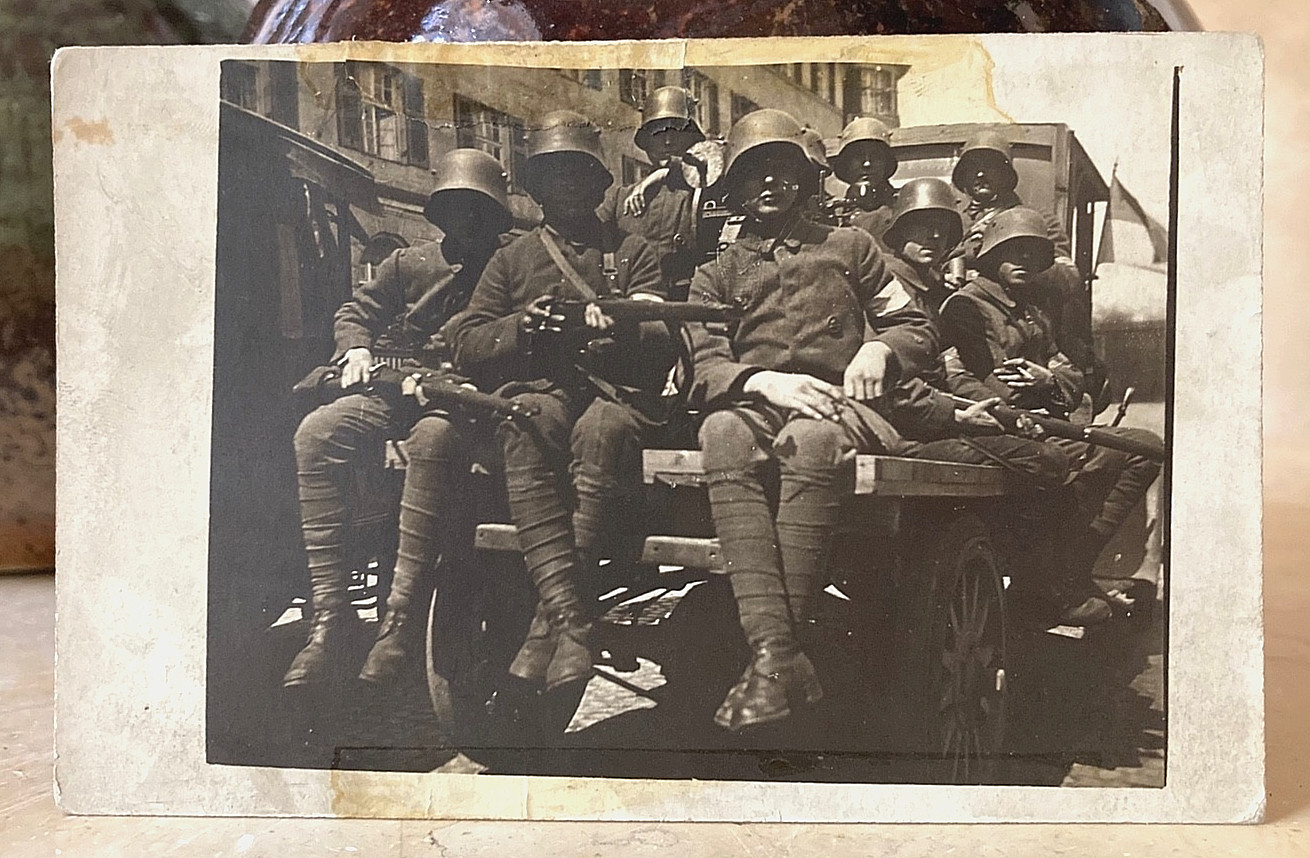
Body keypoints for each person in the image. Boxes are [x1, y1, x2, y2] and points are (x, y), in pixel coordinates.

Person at [686, 109, 941, 732]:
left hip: (843, 409)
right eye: (754, 173)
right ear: (735, 189)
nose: (769, 183)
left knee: (810, 440)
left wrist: (879, 349)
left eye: (782, 170)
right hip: (756, 402)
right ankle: (781, 656)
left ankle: (772, 663)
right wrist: (763, 379)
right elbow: (704, 359)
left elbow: (915, 325)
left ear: (804, 181)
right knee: (718, 431)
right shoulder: (716, 271)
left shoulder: (850, 247)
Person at [445, 110, 674, 696]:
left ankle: (552, 623)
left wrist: (620, 320)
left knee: (604, 430)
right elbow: (468, 340)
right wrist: (523, 327)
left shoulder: (633, 251)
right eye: (552, 177)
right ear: (537, 190)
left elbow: (664, 339)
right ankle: (573, 622)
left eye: (578, 175)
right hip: (544, 394)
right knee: (523, 418)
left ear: (600, 185)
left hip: (614, 396)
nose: (566, 188)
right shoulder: (512, 259)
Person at [284, 148, 514, 688]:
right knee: (316, 434)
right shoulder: (410, 262)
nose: (466, 221)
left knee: (434, 439)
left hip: (473, 399)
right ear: (438, 213)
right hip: (399, 390)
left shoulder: (516, 262)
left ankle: (400, 625)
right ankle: (331, 618)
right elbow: (356, 311)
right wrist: (357, 349)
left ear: (496, 213)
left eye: (477, 209)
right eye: (454, 208)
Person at [940, 207, 1163, 625]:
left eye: (1032, 254)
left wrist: (1047, 380)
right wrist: (1014, 406)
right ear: (989, 256)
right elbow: (961, 377)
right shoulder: (965, 307)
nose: (1023, 262)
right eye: (1013, 252)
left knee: (1145, 448)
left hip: (1046, 423)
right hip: (1003, 427)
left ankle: (1070, 570)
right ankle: (1045, 584)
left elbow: (1069, 370)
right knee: (1083, 458)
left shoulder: (1032, 311)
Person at [950, 130, 1104, 413]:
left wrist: (1011, 246)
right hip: (964, 329)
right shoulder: (952, 222)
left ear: (1007, 174)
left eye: (991, 166)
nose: (981, 175)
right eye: (973, 168)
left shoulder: (1036, 219)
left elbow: (1068, 278)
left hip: (1028, 332)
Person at [599, 86, 705, 298]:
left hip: (688, 305)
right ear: (646, 142)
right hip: (633, 304)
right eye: (657, 134)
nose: (667, 141)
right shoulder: (620, 198)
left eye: (676, 131)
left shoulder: (704, 191)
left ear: (692, 138)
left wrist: (665, 172)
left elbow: (719, 155)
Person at [829, 116, 898, 242]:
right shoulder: (833, 212)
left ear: (885, 163)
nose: (867, 164)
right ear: (846, 164)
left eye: (875, 156)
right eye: (858, 156)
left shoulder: (900, 208)